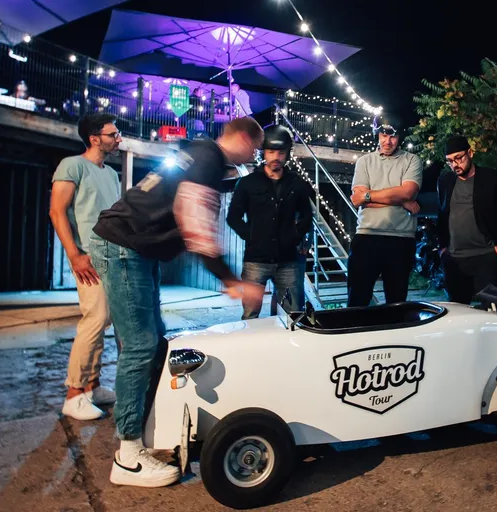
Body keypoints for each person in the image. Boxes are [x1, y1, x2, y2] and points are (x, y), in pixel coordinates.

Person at [90, 117, 266, 487]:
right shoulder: (207, 159)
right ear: (243, 139)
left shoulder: (199, 155)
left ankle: (141, 430)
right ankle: (128, 457)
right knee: (140, 346)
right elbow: (198, 227)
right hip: (125, 247)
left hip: (133, 248)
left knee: (153, 340)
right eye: (256, 147)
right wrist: (233, 282)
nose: (256, 155)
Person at [49, 113, 122, 421]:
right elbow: (56, 211)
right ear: (95, 138)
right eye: (112, 134)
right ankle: (74, 393)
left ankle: (91, 387)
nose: (118, 139)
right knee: (95, 318)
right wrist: (74, 255)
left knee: (105, 320)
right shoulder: (72, 165)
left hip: (112, 254)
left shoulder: (111, 174)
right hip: (88, 257)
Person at [227, 124, 313, 318]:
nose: (276, 157)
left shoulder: (297, 183)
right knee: (250, 315)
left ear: (288, 153)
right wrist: (252, 236)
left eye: (281, 152)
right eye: (271, 151)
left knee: (293, 316)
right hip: (256, 261)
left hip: (288, 261)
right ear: (263, 152)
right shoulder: (248, 183)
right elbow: (233, 217)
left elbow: (307, 215)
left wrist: (295, 236)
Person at [347, 115, 423, 307]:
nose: (387, 141)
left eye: (393, 136)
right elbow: (357, 199)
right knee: (357, 302)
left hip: (401, 239)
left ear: (400, 138)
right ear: (377, 134)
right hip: (366, 237)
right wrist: (401, 201)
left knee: (397, 305)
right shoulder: (364, 161)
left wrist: (369, 196)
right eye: (383, 134)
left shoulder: (413, 160)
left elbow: (408, 191)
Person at [436, 135, 497, 304]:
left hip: (486, 256)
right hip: (454, 259)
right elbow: (442, 215)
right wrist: (443, 249)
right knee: (459, 313)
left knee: (492, 312)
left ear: (470, 153)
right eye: (450, 161)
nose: (455, 165)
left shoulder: (493, 178)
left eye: (458, 158)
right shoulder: (445, 180)